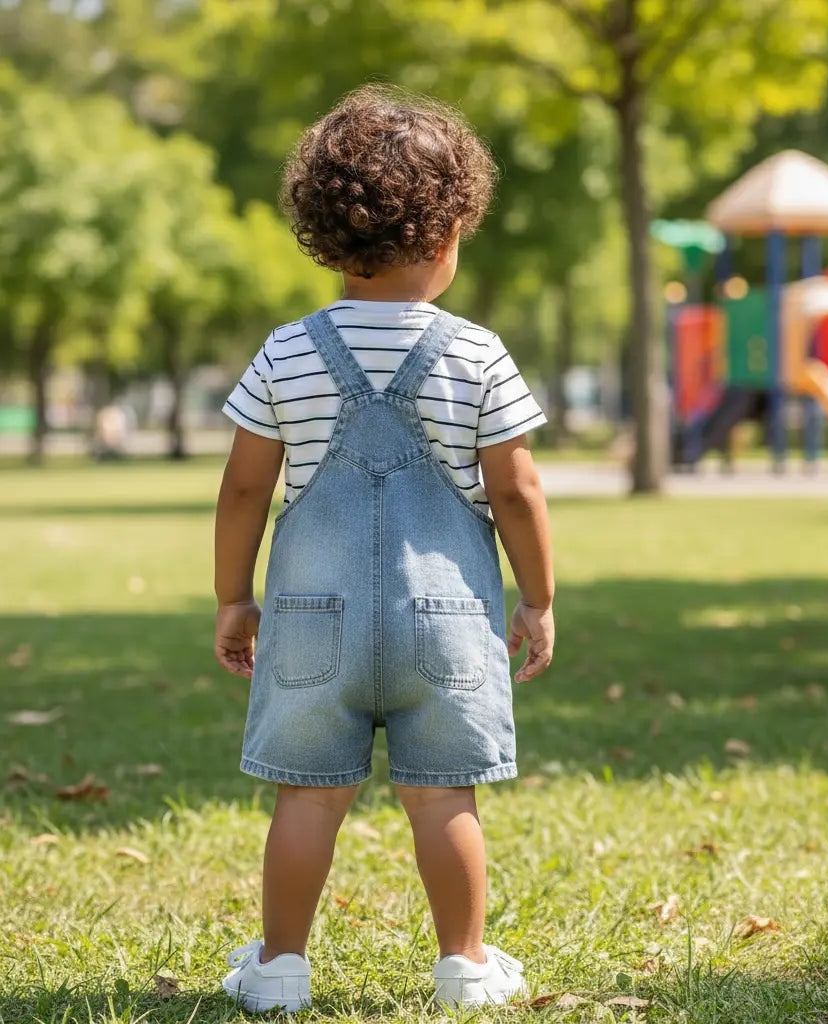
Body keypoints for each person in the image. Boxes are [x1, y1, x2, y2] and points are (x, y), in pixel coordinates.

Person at [212, 85, 555, 1013]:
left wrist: (232, 597)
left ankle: (280, 970)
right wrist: (539, 598)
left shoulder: (286, 351)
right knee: (444, 797)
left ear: (321, 232)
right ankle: (466, 966)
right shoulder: (478, 354)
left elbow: (245, 486)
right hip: (445, 623)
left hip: (311, 622)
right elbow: (517, 489)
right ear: (449, 236)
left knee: (308, 796)